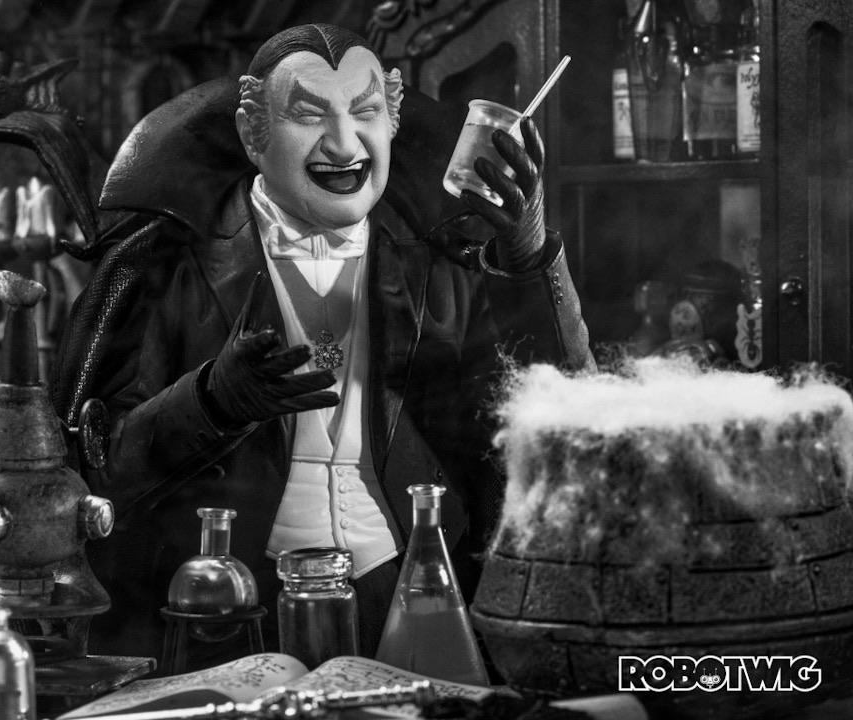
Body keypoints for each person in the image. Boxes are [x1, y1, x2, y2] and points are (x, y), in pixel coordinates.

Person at [54, 23, 594, 665]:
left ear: (392, 122)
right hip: (231, 611)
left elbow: (554, 428)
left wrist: (529, 261)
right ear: (252, 132)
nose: (343, 143)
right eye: (310, 116)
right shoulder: (162, 267)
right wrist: (210, 402)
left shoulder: (441, 261)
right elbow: (93, 480)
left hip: (410, 597)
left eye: (364, 112)